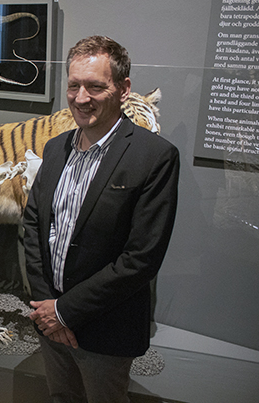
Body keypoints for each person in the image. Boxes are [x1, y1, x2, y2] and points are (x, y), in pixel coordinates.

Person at [24, 36, 180, 403]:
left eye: (95, 86)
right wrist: (48, 307)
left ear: (123, 88)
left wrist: (64, 312)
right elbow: (33, 225)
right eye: (74, 85)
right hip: (49, 322)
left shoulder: (155, 157)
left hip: (105, 330)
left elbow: (140, 258)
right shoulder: (55, 147)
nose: (81, 98)